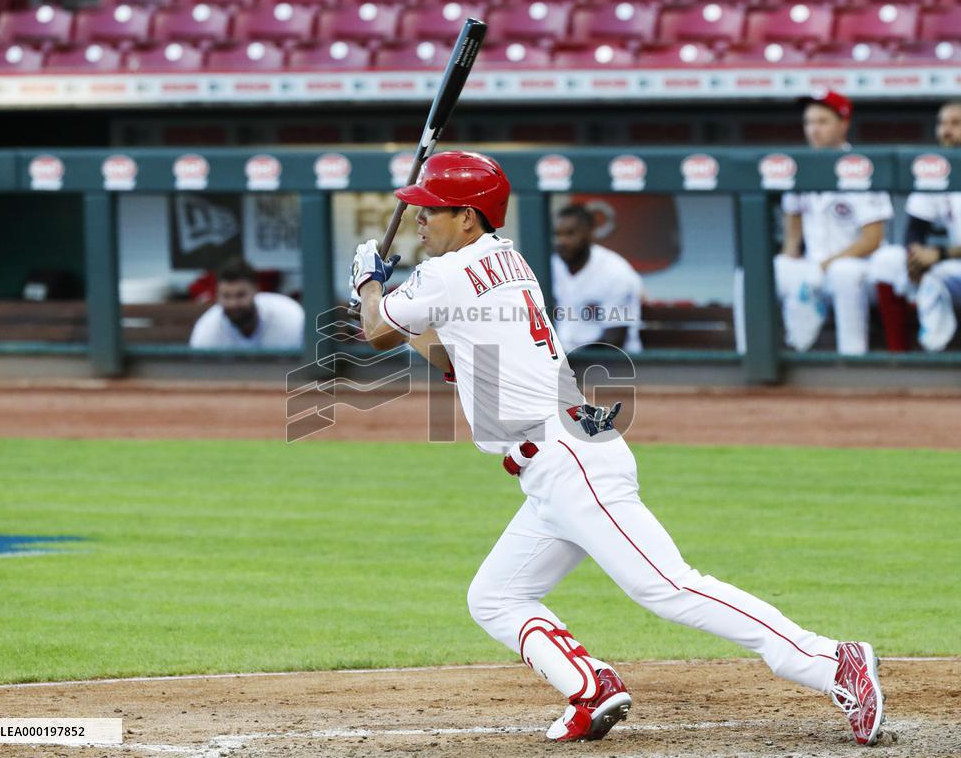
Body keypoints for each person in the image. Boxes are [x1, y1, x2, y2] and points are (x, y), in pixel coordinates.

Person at [349, 150, 884, 746]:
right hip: (562, 457)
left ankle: (834, 662)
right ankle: (590, 686)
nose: (420, 220)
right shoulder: (506, 261)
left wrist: (369, 284)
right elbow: (446, 353)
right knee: (496, 596)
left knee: (669, 586)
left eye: (432, 210)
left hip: (567, 456)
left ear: (469, 218)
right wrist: (388, 308)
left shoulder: (447, 274)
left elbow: (375, 331)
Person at [772, 90, 908, 355]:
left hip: (862, 270)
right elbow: (792, 240)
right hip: (816, 267)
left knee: (843, 272)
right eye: (809, 122)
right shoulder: (799, 170)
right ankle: (752, 356)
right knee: (763, 273)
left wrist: (823, 266)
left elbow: (872, 240)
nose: (813, 130)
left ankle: (853, 356)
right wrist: (794, 267)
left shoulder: (861, 168)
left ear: (843, 124)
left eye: (822, 122)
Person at [902, 101, 961, 351]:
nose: (946, 130)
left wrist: (940, 254)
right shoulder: (937, 170)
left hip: (951, 258)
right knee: (925, 276)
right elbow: (915, 228)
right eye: (942, 123)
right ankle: (933, 356)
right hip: (955, 267)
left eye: (956, 123)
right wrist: (916, 256)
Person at [551, 204, 643, 354]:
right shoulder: (552, 265)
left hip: (612, 365)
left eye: (570, 234)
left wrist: (567, 358)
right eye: (557, 234)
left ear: (590, 233)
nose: (562, 241)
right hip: (563, 362)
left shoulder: (615, 272)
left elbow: (615, 340)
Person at [189, 257, 305, 350]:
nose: (233, 303)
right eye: (226, 296)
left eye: (240, 295)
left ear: (256, 290)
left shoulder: (289, 316)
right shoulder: (206, 332)